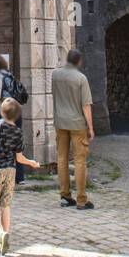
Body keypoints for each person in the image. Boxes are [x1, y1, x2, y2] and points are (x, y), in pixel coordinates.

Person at [0, 96, 40, 255]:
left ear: (1, 112)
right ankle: (6, 235)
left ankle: (0, 233)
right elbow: (19, 158)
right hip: (11, 170)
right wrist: (31, 162)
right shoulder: (18, 133)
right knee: (5, 203)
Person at [50, 48, 95, 210]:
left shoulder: (55, 75)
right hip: (77, 124)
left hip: (60, 122)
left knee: (61, 158)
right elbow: (86, 106)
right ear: (79, 61)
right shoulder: (81, 78)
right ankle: (81, 199)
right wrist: (91, 127)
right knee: (79, 160)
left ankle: (65, 195)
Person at [0, 53, 28, 184]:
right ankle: (20, 177)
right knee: (16, 146)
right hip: (16, 113)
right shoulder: (10, 74)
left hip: (3, 114)